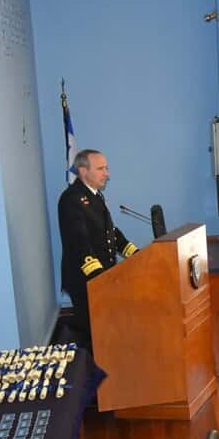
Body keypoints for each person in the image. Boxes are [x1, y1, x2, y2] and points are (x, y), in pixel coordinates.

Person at [58, 149, 139, 350]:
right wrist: (99, 277)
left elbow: (110, 232)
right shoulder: (72, 199)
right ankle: (92, 367)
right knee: (93, 334)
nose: (107, 174)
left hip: (101, 277)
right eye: (101, 168)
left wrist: (135, 254)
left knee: (104, 331)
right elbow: (79, 242)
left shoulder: (94, 196)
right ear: (83, 171)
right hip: (86, 279)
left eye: (106, 168)